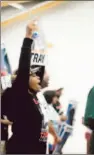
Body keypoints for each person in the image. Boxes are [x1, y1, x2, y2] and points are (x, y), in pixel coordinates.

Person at [2, 20, 48, 154]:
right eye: (33, 75)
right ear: (23, 80)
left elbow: (39, 69)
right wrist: (28, 37)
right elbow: (23, 69)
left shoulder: (34, 96)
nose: (39, 77)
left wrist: (39, 42)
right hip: (21, 150)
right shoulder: (21, 95)